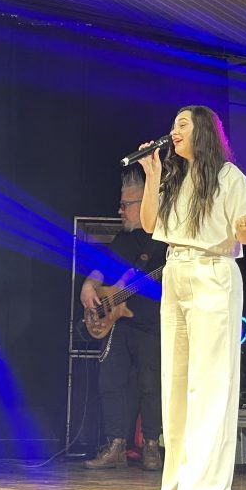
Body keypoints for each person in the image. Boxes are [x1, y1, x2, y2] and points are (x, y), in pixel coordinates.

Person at [138, 105, 246, 490]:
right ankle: (176, 485)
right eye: (173, 124)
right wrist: (151, 174)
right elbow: (151, 224)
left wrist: (245, 227)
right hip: (176, 272)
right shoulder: (175, 177)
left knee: (209, 383)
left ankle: (205, 489)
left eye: (182, 125)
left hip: (212, 273)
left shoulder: (229, 176)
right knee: (176, 381)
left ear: (202, 131)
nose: (174, 131)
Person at [80, 169, 166, 471]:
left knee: (150, 385)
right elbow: (101, 269)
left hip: (151, 324)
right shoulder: (122, 238)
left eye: (126, 205)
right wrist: (89, 285)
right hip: (119, 323)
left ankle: (151, 445)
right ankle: (116, 444)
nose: (120, 211)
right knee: (110, 382)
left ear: (145, 204)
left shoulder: (164, 239)